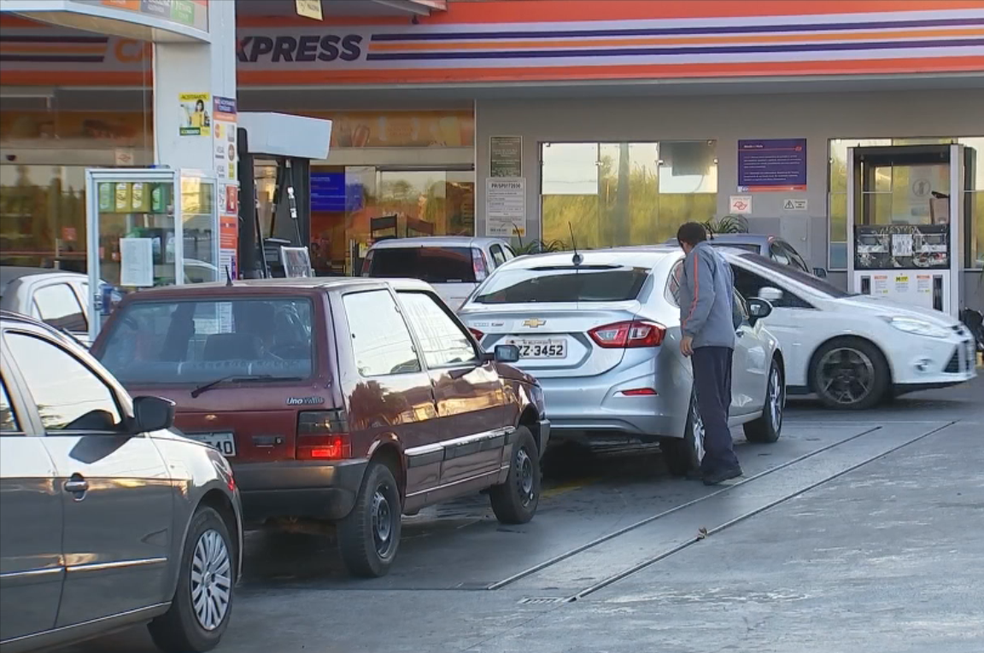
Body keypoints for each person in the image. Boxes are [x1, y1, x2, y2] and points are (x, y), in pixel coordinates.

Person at [676, 222, 743, 485]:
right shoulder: (720, 259)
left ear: (684, 243)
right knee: (720, 401)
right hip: (724, 338)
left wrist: (689, 331)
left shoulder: (696, 257)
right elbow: (732, 302)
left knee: (709, 403)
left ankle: (726, 461)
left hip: (707, 340)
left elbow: (702, 296)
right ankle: (712, 462)